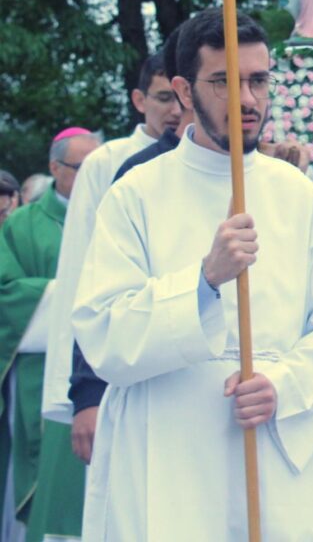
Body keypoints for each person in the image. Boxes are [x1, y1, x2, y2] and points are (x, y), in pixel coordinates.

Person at [71, 8, 313, 540]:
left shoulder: (296, 192)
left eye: (258, 80)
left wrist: (287, 383)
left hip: (269, 439)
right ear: (184, 91)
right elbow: (101, 329)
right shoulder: (136, 193)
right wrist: (204, 281)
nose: (248, 100)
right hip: (167, 446)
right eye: (224, 82)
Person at [36, 53, 180, 541]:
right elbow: (82, 273)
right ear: (140, 100)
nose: (175, 110)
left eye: (179, 97)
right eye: (163, 98)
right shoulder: (107, 163)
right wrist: (78, 394)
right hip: (117, 359)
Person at [0, 128, 100, 538]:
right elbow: (7, 293)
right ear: (55, 167)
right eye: (82, 168)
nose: (93, 176)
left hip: (100, 368)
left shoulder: (112, 213)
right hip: (40, 373)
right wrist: (75, 295)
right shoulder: (22, 224)